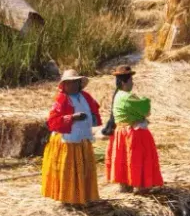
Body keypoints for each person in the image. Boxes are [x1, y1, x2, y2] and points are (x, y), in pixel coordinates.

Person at [41, 70, 101, 205]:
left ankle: (83, 197)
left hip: (82, 139)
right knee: (68, 171)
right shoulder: (61, 99)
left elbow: (95, 111)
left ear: (80, 83)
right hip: (67, 140)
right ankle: (67, 198)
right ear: (64, 85)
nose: (72, 85)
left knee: (83, 170)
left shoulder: (85, 97)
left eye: (75, 82)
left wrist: (93, 118)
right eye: (69, 83)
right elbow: (52, 121)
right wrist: (72, 118)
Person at [105, 66, 163, 193]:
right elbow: (145, 110)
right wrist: (145, 101)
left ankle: (125, 185)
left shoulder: (118, 95)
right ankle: (141, 186)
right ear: (124, 82)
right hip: (131, 133)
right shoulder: (127, 97)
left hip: (121, 132)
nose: (133, 83)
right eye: (131, 80)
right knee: (136, 159)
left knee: (124, 159)